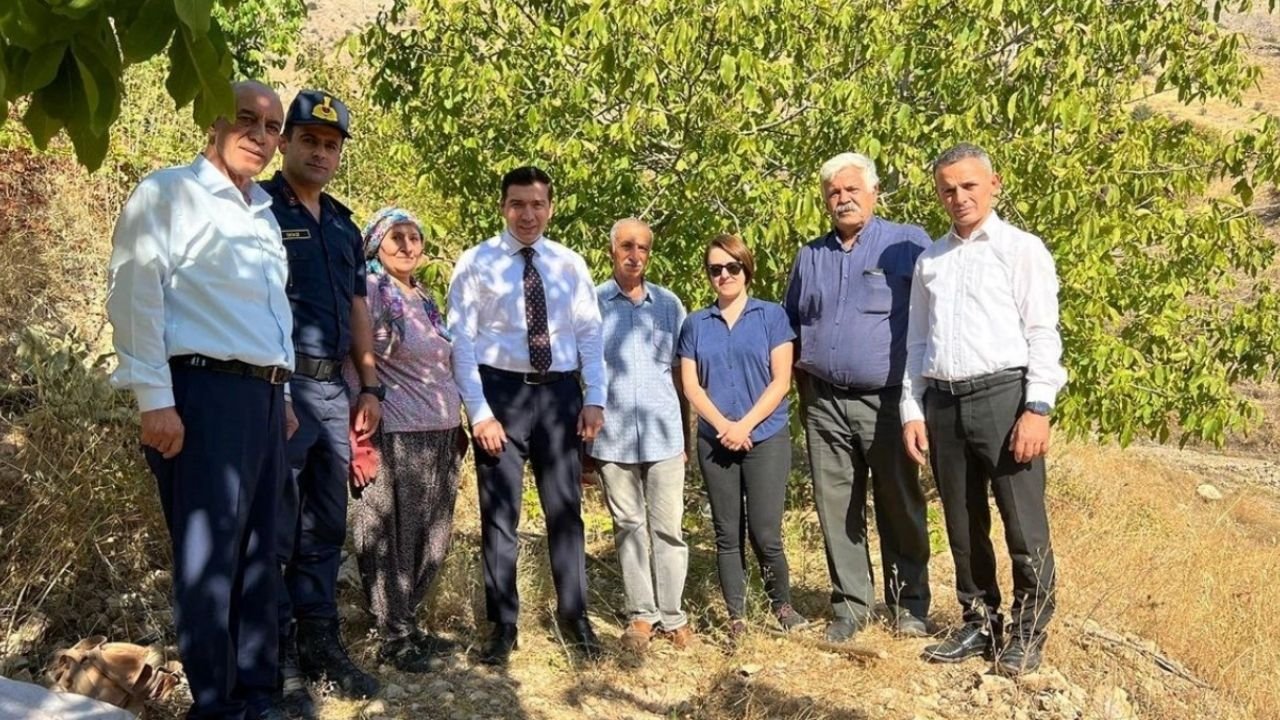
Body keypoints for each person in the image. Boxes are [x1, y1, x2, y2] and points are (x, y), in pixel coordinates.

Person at [106, 80, 295, 720]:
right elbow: (135, 293)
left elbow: (271, 315)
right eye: (246, 119)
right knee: (209, 556)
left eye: (272, 127)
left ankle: (257, 693)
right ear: (212, 122)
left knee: (260, 552)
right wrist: (154, 399)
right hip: (202, 394)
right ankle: (216, 704)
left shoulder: (264, 213)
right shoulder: (168, 193)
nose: (260, 136)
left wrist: (285, 387)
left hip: (266, 400)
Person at [901, 143, 1066, 676]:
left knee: (1022, 522)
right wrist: (912, 408)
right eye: (948, 188)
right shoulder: (932, 260)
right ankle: (978, 621)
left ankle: (1028, 629)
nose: (959, 197)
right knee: (962, 521)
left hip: (1004, 396)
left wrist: (1037, 407)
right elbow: (917, 343)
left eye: (969, 185)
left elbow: (1043, 332)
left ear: (993, 185)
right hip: (944, 401)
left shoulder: (1022, 250)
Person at [447, 166, 606, 665]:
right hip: (501, 396)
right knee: (500, 515)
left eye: (537, 204)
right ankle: (502, 625)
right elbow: (462, 342)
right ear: (503, 207)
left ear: (550, 207)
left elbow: (589, 333)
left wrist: (594, 397)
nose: (528, 214)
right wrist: (479, 412)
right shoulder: (476, 262)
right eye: (518, 204)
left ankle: (574, 615)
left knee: (566, 510)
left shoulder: (569, 264)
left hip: (559, 396)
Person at [262, 90, 380, 714]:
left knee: (325, 526)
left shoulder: (342, 223)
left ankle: (321, 645)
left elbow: (358, 306)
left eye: (331, 144)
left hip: (334, 391)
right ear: (285, 143)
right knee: (278, 527)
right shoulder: (258, 208)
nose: (320, 151)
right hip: (279, 389)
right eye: (309, 139)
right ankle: (278, 661)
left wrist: (370, 383)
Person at [783, 152, 932, 643]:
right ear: (825, 200)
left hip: (888, 402)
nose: (843, 199)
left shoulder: (908, 245)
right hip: (823, 402)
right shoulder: (811, 256)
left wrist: (921, 400)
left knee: (899, 501)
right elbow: (792, 327)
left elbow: (932, 320)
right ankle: (850, 606)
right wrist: (803, 393)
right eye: (833, 192)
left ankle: (909, 603)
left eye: (852, 190)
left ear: (873, 193)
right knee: (836, 506)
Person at [347, 208, 467, 672]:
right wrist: (358, 428)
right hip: (393, 431)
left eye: (413, 237)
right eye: (395, 237)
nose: (406, 245)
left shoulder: (424, 298)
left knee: (431, 537)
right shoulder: (371, 293)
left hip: (440, 432)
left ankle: (409, 622)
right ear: (376, 244)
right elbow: (352, 358)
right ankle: (392, 635)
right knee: (388, 535)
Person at [678, 233, 807, 642]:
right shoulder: (695, 324)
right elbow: (692, 387)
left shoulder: (771, 317)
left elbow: (781, 381)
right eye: (716, 269)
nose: (724, 275)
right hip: (715, 441)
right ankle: (737, 617)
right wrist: (723, 427)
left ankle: (781, 605)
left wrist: (744, 425)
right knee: (726, 533)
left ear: (745, 269)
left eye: (732, 267)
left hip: (764, 437)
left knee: (766, 531)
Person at [589, 218, 693, 653]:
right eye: (627, 246)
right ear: (612, 250)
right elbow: (584, 371)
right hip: (612, 437)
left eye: (644, 248)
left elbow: (680, 372)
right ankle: (641, 614)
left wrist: (687, 437)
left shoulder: (668, 305)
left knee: (669, 528)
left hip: (665, 434)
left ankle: (673, 615)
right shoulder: (592, 303)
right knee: (628, 526)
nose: (635, 255)